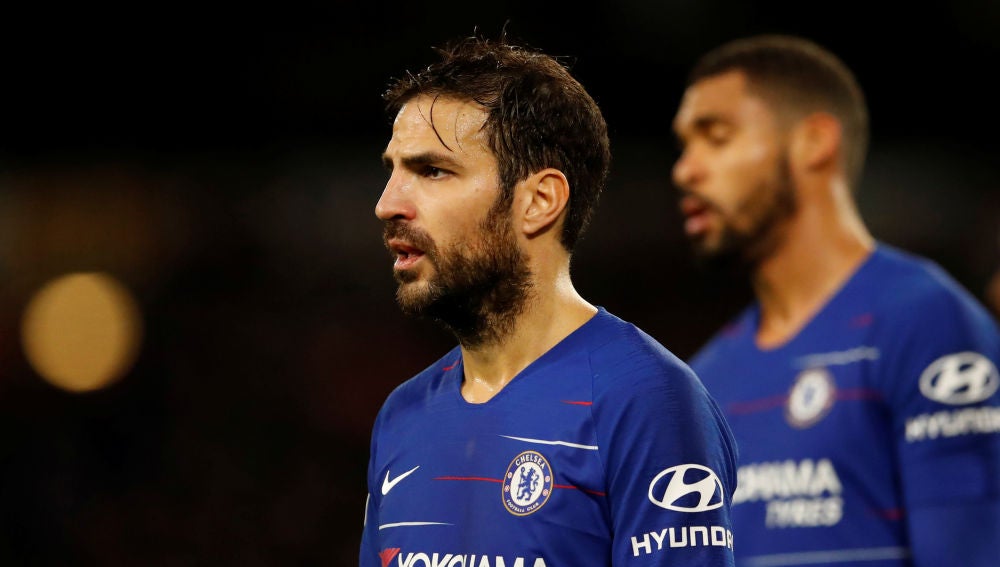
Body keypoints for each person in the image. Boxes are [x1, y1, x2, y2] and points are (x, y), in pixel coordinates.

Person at [360, 33, 737, 567]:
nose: (387, 204)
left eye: (432, 171)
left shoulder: (645, 401)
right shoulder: (402, 416)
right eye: (392, 171)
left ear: (539, 201)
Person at [671, 33, 1000, 566]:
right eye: (684, 145)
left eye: (716, 137)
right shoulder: (703, 380)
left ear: (814, 142)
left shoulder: (926, 323)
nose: (685, 170)